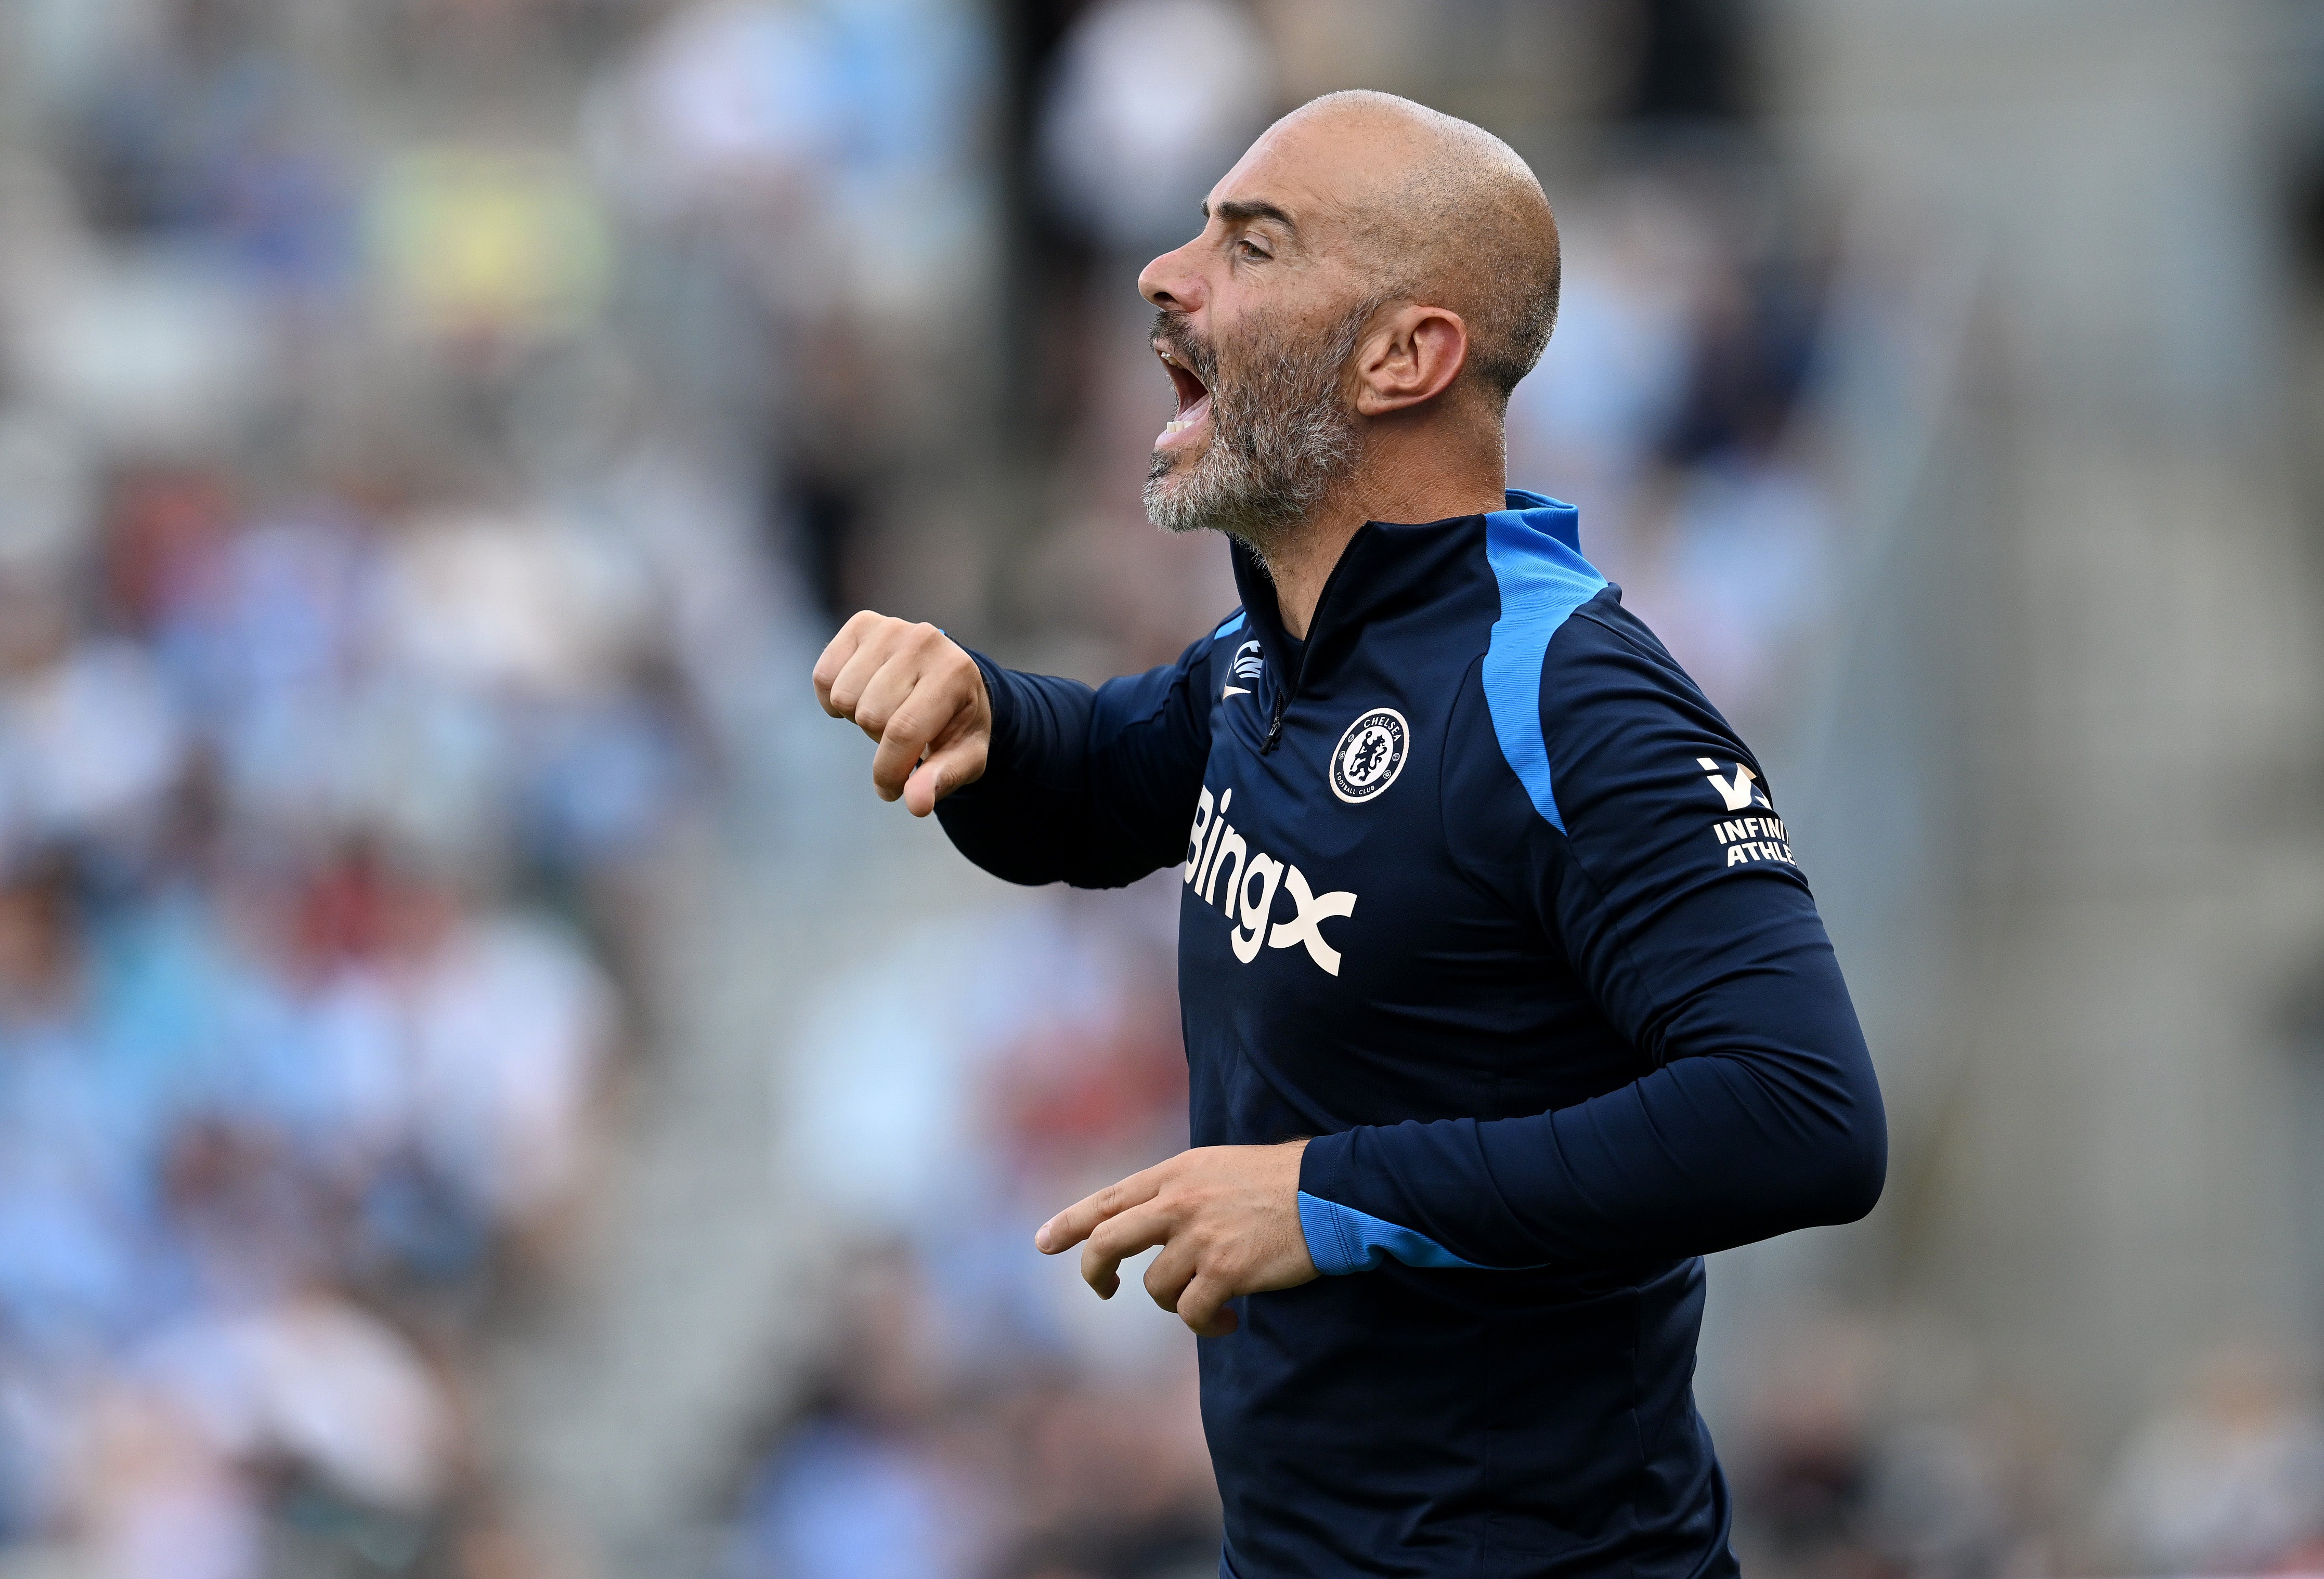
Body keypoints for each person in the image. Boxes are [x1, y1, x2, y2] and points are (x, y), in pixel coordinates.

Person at [811, 90, 1885, 1579]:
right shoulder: (1273, 652)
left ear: (1405, 356)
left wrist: (1330, 1196)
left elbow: (1802, 1117)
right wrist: (981, 713)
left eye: (1251, 246)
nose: (1165, 275)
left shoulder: (1575, 700)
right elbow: (1113, 779)